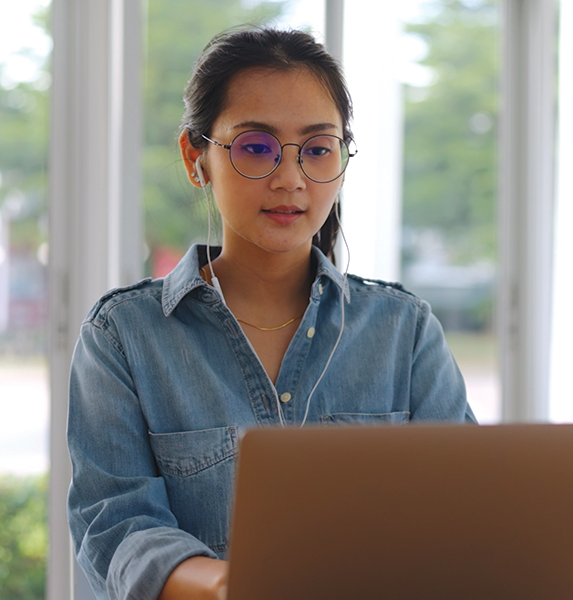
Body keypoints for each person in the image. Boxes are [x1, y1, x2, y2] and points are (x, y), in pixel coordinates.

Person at [67, 26, 476, 600]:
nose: (291, 179)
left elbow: (464, 512)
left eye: (317, 149)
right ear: (196, 157)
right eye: (256, 147)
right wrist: (230, 585)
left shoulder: (404, 333)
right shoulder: (123, 337)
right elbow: (115, 525)